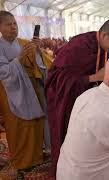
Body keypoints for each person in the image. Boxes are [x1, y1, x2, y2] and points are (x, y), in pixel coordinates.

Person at [45, 18, 109, 175]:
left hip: (95, 101)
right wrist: (93, 78)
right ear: (103, 35)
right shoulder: (78, 46)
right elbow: (59, 80)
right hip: (69, 101)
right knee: (73, 140)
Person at [0, 11, 52, 169]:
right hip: (10, 92)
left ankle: (36, 156)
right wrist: (19, 60)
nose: (13, 27)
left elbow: (42, 67)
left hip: (32, 89)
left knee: (35, 123)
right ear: (0, 27)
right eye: (8, 24)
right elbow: (3, 72)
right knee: (18, 126)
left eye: (14, 23)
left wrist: (37, 51)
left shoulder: (24, 43)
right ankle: (21, 160)